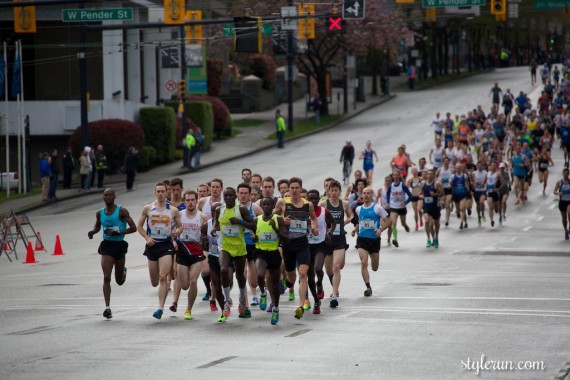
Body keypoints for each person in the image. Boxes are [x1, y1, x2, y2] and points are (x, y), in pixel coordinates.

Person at [274, 177, 319, 320]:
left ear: (300, 189)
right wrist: (282, 220)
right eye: (291, 188)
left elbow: (313, 218)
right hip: (288, 244)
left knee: (303, 273)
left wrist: (314, 228)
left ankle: (300, 306)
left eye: (296, 188)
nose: (294, 190)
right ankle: (287, 282)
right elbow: (272, 216)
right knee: (291, 277)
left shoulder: (308, 205)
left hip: (302, 243)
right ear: (289, 190)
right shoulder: (282, 203)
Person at [88, 189, 137, 319]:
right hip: (107, 246)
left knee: (119, 281)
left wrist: (120, 232)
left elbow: (134, 228)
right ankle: (107, 308)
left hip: (119, 246)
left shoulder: (122, 211)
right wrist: (92, 232)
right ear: (103, 197)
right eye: (105, 195)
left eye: (110, 195)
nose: (108, 197)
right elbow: (98, 226)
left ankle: (123, 273)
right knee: (106, 276)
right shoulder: (100, 213)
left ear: (114, 196)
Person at [137, 183, 183, 320]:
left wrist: (175, 233)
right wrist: (147, 237)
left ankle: (160, 308)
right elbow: (139, 226)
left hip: (166, 245)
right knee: (154, 281)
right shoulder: (148, 208)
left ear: (166, 193)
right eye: (158, 191)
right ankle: (160, 301)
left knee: (163, 276)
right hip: (152, 245)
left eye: (163, 191)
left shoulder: (173, 210)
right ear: (155, 193)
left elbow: (180, 227)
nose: (161, 193)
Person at [213, 186, 256, 319]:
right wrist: (214, 228)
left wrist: (240, 222)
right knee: (224, 270)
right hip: (224, 246)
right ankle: (227, 301)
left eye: (230, 195)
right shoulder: (219, 209)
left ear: (235, 196)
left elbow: (253, 225)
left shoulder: (241, 209)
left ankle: (242, 300)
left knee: (240, 276)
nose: (228, 198)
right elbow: (216, 222)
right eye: (225, 196)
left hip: (239, 247)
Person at [253, 197, 289, 325]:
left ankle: (276, 308)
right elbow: (254, 236)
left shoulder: (278, 219)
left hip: (274, 253)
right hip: (261, 252)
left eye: (269, 204)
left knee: (274, 286)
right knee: (260, 275)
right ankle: (263, 293)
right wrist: (254, 238)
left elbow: (286, 238)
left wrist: (276, 229)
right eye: (264, 205)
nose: (267, 207)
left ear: (273, 206)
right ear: (261, 206)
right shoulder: (256, 220)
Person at [175, 190, 209, 320]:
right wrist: (173, 241)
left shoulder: (203, 217)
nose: (190, 202)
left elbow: (208, 234)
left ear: (196, 201)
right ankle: (186, 303)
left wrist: (204, 244)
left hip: (196, 251)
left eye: (192, 200)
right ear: (184, 202)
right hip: (183, 251)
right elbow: (171, 231)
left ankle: (188, 309)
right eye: (187, 200)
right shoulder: (178, 215)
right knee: (184, 285)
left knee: (193, 281)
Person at [352, 187, 389, 296]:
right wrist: (355, 230)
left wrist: (381, 229)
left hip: (374, 240)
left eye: (368, 193)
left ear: (372, 194)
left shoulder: (377, 208)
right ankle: (368, 287)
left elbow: (387, 222)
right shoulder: (358, 209)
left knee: (374, 267)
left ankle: (371, 276)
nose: (366, 195)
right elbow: (361, 222)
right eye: (364, 193)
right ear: (362, 195)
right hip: (362, 239)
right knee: (364, 262)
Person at [321, 180, 352, 309]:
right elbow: (316, 217)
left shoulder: (344, 204)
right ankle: (335, 287)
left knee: (337, 266)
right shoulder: (323, 203)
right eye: (331, 190)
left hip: (339, 239)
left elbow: (351, 216)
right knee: (329, 270)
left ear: (339, 192)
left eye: (336, 190)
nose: (333, 193)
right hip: (327, 240)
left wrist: (343, 223)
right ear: (328, 192)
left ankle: (334, 295)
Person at [385, 170, 412, 247]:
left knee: (403, 223)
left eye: (397, 175)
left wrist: (405, 202)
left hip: (402, 207)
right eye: (394, 175)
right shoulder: (391, 186)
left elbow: (410, 196)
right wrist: (388, 202)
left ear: (399, 176)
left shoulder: (403, 185)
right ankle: (395, 239)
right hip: (394, 207)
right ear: (392, 176)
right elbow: (387, 194)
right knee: (393, 223)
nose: (396, 177)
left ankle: (405, 225)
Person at [420, 170, 444, 248]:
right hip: (426, 206)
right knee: (427, 222)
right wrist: (421, 197)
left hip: (435, 206)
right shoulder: (423, 184)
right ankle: (428, 239)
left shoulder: (437, 184)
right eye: (428, 174)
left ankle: (436, 237)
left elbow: (442, 193)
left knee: (436, 224)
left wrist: (435, 194)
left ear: (434, 176)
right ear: (426, 175)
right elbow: (420, 193)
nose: (429, 176)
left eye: (431, 174)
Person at [553, 168, 570, 240]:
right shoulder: (559, 182)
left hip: (569, 201)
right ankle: (566, 230)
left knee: (569, 213)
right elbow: (554, 191)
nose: (566, 175)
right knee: (564, 218)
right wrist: (558, 193)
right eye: (564, 174)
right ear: (563, 174)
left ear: (568, 174)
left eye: (567, 174)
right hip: (562, 202)